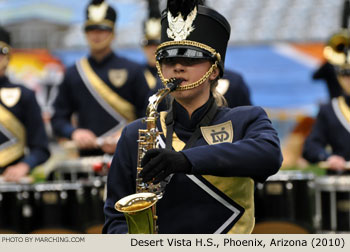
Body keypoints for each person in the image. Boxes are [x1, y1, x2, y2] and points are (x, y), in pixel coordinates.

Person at [103, 0, 282, 234]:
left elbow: (269, 156)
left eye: (190, 59)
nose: (177, 67)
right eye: (168, 60)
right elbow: (115, 222)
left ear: (214, 70)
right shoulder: (134, 134)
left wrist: (185, 160)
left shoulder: (246, 120)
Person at [51, 0, 151, 156]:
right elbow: (58, 118)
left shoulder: (134, 70)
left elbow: (148, 115)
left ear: (113, 32)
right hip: (87, 156)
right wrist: (74, 132)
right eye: (91, 29)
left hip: (127, 153)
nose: (96, 35)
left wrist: (126, 135)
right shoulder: (73, 73)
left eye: (102, 29)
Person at [0, 26, 50, 182]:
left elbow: (41, 148)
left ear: (8, 57)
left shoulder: (25, 95)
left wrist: (24, 166)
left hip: (11, 187)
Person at [303, 30, 350, 173]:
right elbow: (310, 147)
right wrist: (327, 157)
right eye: (346, 74)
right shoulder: (329, 110)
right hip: (342, 184)